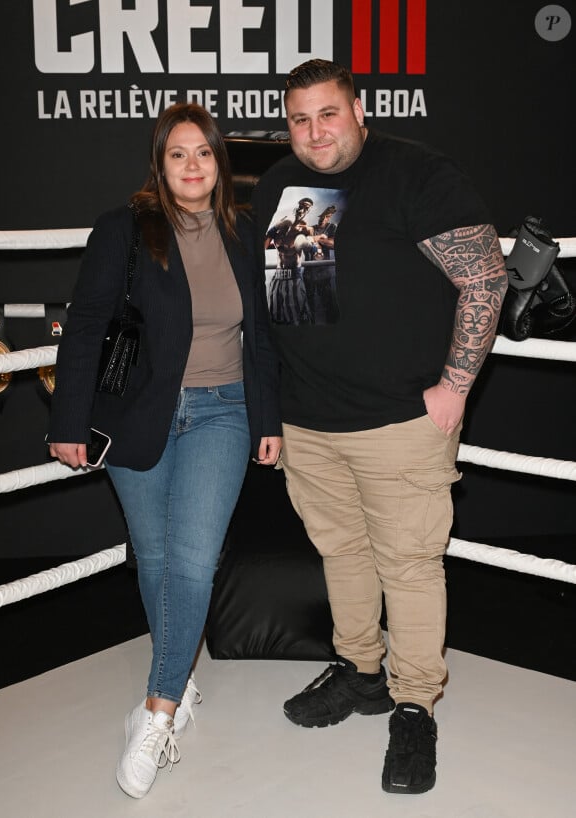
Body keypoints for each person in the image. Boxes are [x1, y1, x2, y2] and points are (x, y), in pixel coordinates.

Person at [252, 59, 508, 795]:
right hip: (308, 422)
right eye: (299, 119)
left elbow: (485, 276)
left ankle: (414, 704)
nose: (314, 132)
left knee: (410, 565)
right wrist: (274, 410)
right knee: (341, 553)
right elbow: (284, 301)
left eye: (327, 114)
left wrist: (456, 384)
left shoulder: (417, 174)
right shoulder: (277, 186)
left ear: (359, 112)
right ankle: (362, 671)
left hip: (401, 421)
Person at [48, 102, 282, 799]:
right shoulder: (124, 229)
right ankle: (178, 673)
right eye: (177, 153)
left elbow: (263, 340)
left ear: (220, 162)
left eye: (203, 153)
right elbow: (87, 324)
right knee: (152, 559)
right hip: (136, 416)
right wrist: (69, 420)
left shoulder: (245, 234)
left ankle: (157, 712)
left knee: (191, 557)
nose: (191, 166)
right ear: (160, 162)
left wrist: (268, 418)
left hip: (222, 413)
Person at [265, 196, 315, 324]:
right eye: (301, 205)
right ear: (297, 206)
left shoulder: (306, 230)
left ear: (308, 211)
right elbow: (263, 247)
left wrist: (311, 246)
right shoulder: (283, 225)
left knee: (296, 319)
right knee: (274, 318)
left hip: (294, 279)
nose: (302, 209)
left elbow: (316, 251)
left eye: (306, 208)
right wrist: (273, 230)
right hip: (277, 280)